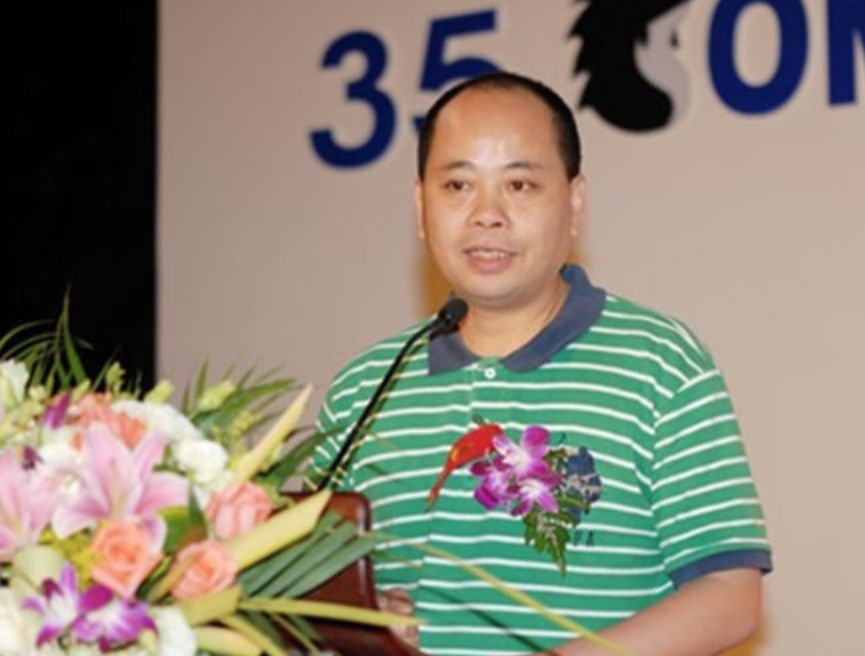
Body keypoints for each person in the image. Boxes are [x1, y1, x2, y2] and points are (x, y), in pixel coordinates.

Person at [307, 71, 772, 656]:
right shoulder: (364, 388)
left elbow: (730, 593)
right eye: (457, 185)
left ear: (574, 204)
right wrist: (360, 618)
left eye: (520, 185)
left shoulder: (660, 363)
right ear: (421, 206)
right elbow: (303, 595)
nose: (487, 214)